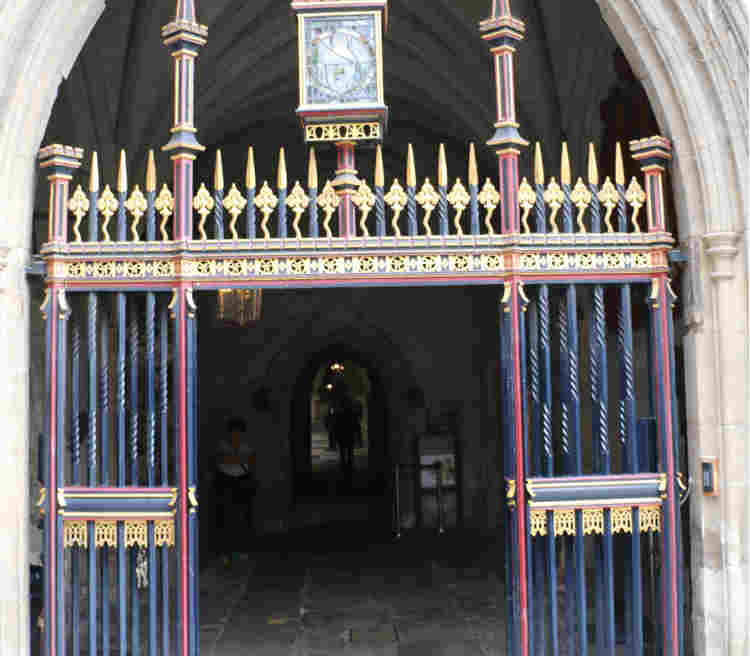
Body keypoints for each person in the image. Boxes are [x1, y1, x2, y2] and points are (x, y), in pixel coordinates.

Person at [214, 417, 256, 566]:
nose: (236, 435)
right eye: (234, 432)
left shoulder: (246, 446)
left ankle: (242, 550)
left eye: (239, 432)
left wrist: (235, 458)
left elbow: (250, 461)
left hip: (242, 483)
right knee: (225, 518)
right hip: (225, 483)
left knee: (243, 516)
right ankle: (225, 552)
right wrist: (238, 458)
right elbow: (223, 461)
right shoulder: (222, 446)